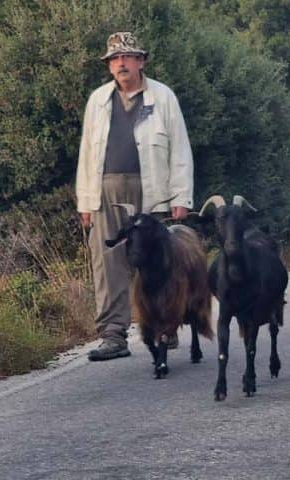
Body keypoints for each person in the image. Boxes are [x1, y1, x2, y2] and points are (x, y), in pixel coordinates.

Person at [76, 31, 194, 361]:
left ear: (140, 61)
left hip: (151, 187)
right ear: (109, 66)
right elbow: (87, 152)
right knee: (107, 260)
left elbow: (180, 148)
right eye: (115, 59)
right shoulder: (98, 100)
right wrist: (85, 201)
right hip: (107, 189)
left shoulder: (162, 96)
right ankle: (113, 334)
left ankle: (164, 324)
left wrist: (180, 195)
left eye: (127, 57)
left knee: (157, 260)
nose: (121, 63)